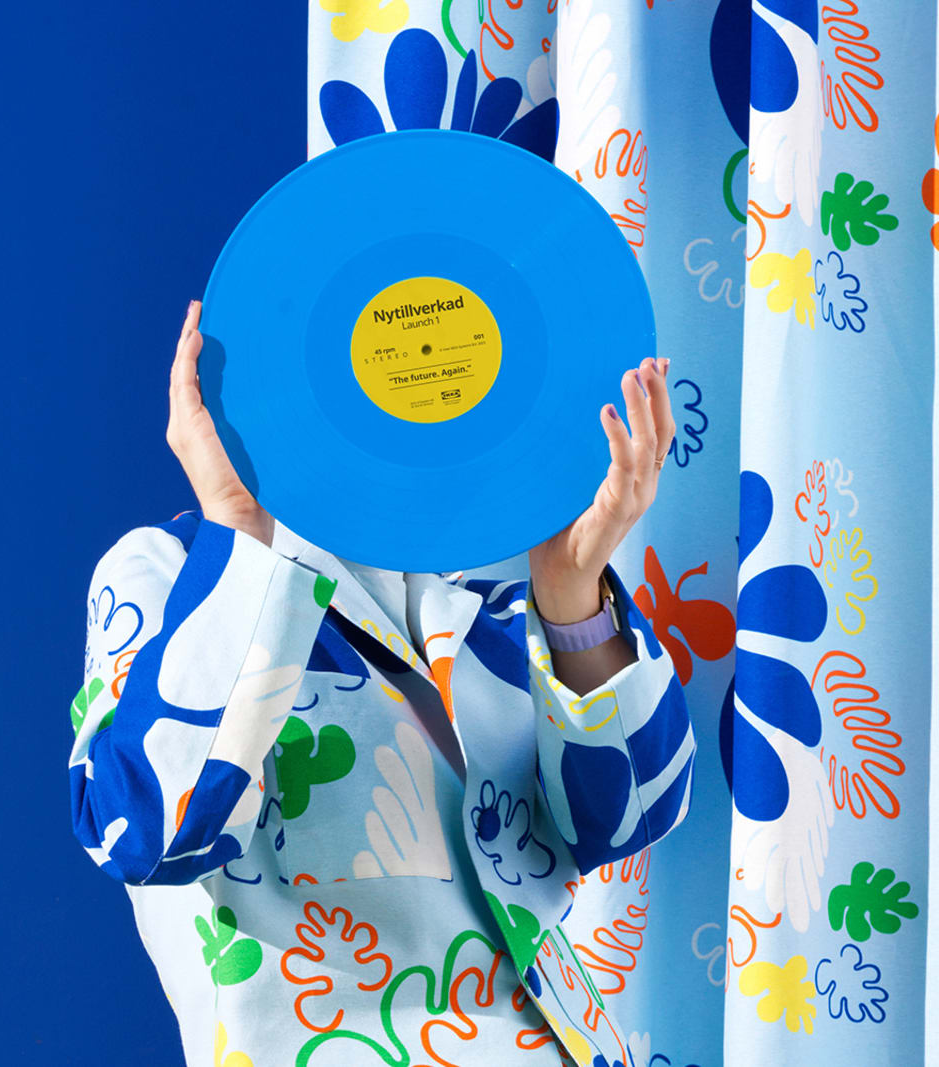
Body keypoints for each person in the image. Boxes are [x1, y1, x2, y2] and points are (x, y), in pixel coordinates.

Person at [68, 300, 696, 1067]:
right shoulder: (168, 573)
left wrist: (572, 593)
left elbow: (630, 815)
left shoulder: (485, 603)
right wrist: (238, 524)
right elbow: (143, 825)